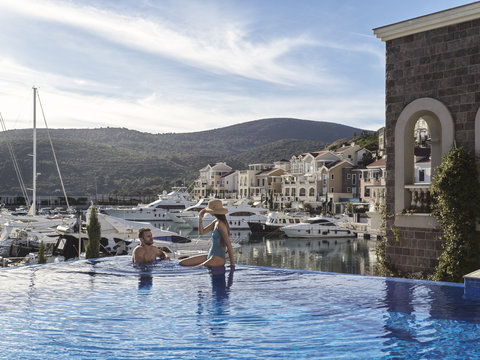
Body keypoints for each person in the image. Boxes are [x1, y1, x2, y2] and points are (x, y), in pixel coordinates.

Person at [179, 199, 235, 268]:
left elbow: (228, 244)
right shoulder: (215, 221)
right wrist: (200, 218)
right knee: (182, 263)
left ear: (214, 211)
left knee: (194, 269)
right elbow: (201, 232)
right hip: (211, 255)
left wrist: (232, 264)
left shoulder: (221, 224)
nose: (208, 212)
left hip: (218, 258)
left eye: (209, 210)